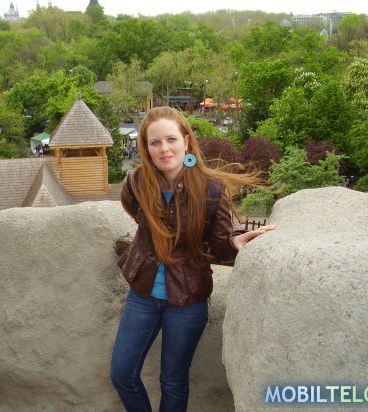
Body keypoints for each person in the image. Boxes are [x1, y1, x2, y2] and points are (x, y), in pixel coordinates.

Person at [110, 106, 276, 411]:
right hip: (143, 295)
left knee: (173, 381)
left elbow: (220, 244)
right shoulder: (136, 182)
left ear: (186, 141)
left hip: (188, 300)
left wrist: (236, 240)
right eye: (155, 142)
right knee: (122, 374)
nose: (164, 148)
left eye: (171, 139)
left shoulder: (211, 189)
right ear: (146, 148)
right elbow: (139, 217)